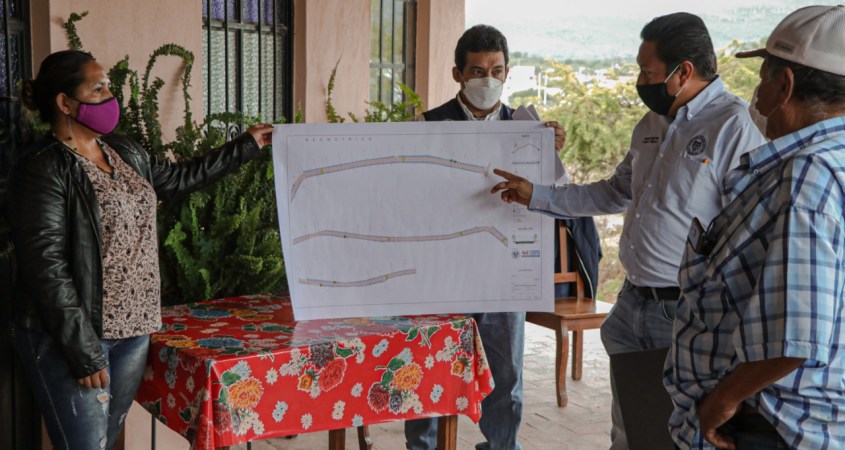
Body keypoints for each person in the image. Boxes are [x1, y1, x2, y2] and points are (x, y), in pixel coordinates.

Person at [490, 13, 766, 450]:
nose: (640, 82)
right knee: (630, 430)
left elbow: (751, 231)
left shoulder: (733, 127)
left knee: (681, 434)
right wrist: (536, 196)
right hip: (633, 305)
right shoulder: (651, 125)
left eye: (647, 72)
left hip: (687, 313)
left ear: (683, 72)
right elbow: (616, 192)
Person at [7, 50, 273, 450]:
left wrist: (247, 145)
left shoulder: (122, 150)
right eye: (98, 89)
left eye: (108, 86)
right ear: (65, 102)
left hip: (134, 330)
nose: (110, 96)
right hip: (76, 336)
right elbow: (45, 266)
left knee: (104, 440)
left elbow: (179, 178)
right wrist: (83, 350)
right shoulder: (43, 168)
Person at [664, 5, 845, 449]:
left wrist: (721, 403)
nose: (757, 94)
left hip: (772, 425)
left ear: (785, 85)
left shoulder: (808, 174)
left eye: (763, 78)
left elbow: (796, 337)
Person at [404, 24, 567, 450]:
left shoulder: (529, 130)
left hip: (503, 275)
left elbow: (556, 196)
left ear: (507, 73)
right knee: (428, 373)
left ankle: (501, 446)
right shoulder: (427, 125)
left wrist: (552, 154)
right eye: (477, 71)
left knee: (506, 378)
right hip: (440, 276)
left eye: (496, 70)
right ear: (458, 74)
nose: (487, 79)